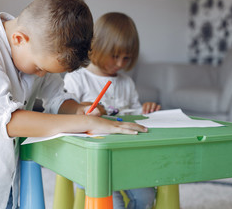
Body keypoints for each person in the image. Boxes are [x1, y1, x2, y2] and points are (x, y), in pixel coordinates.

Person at [0, 0, 147, 209]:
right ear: (19, 39)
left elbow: (57, 97)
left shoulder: (40, 48)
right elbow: (6, 120)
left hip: (6, 185)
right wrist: (86, 123)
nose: (41, 75)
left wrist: (79, 110)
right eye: (39, 68)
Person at [64, 12, 160, 209]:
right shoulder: (77, 78)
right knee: (112, 203)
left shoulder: (126, 82)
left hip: (126, 158)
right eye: (115, 56)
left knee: (147, 196)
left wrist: (144, 110)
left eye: (126, 58)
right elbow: (65, 115)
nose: (119, 64)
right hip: (90, 162)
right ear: (96, 47)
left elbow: (133, 114)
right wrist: (84, 110)